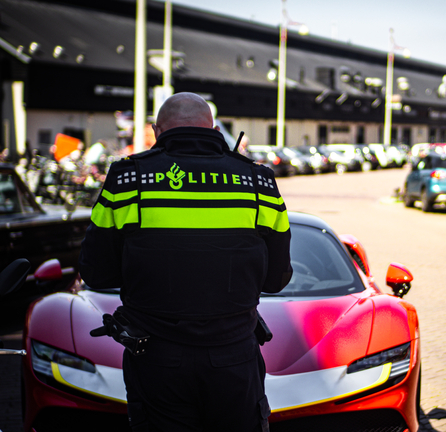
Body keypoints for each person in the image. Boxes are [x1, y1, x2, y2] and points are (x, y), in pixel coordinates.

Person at [79, 92, 293, 432]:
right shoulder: (258, 181)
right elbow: (276, 279)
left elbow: (96, 271)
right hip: (234, 357)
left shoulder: (128, 179)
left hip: (155, 358)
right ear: (213, 127)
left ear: (156, 129)